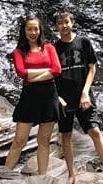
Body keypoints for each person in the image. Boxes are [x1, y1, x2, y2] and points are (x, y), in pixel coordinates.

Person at [53, 11, 103, 184]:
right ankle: (71, 174)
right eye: (60, 23)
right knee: (65, 135)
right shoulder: (54, 48)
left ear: (72, 22)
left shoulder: (84, 42)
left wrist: (85, 92)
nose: (64, 26)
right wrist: (57, 97)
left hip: (83, 96)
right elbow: (52, 75)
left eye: (66, 22)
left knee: (95, 131)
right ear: (56, 26)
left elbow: (92, 68)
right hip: (64, 99)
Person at [5, 14, 61, 174]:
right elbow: (22, 73)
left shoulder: (49, 48)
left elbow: (57, 70)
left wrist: (33, 75)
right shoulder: (18, 52)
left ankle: (42, 176)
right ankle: (5, 175)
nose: (33, 32)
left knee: (44, 141)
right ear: (24, 31)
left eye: (36, 29)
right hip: (29, 97)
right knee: (19, 140)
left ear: (40, 30)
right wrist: (47, 71)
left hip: (49, 96)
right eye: (29, 29)